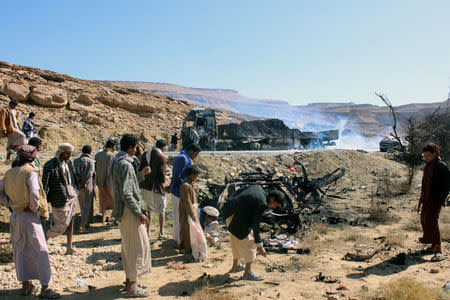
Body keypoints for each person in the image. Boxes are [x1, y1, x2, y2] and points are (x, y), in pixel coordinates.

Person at [2, 145, 60, 298]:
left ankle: (26, 285)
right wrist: (35, 209)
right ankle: (45, 287)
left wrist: (9, 203)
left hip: (15, 216)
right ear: (32, 157)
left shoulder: (9, 173)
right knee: (40, 250)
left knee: (20, 249)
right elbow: (35, 193)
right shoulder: (30, 172)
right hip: (29, 216)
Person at [111, 134, 151, 297]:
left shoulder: (118, 161)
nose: (136, 150)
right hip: (129, 211)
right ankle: (132, 288)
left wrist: (140, 175)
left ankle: (130, 281)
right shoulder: (126, 165)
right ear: (130, 148)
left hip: (124, 211)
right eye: (135, 148)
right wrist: (139, 213)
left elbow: (128, 186)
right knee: (136, 247)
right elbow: (128, 194)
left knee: (128, 247)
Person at [220, 185, 284, 280]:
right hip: (236, 219)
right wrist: (259, 245)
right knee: (250, 243)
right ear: (272, 199)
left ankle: (235, 266)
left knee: (235, 241)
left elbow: (239, 191)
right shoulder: (261, 203)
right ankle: (248, 272)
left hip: (229, 213)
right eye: (275, 205)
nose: (274, 207)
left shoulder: (258, 188)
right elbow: (256, 225)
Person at [42, 143, 78, 254]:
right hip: (59, 197)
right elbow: (45, 184)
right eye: (68, 153)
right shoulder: (50, 165)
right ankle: (43, 240)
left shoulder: (69, 163)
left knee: (71, 219)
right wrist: (43, 199)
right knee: (61, 224)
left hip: (71, 195)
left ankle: (69, 246)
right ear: (62, 153)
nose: (70, 155)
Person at [417, 143, 450, 262]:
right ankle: (431, 245)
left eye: (428, 155)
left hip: (435, 200)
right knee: (425, 219)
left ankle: (438, 250)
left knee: (432, 221)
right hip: (427, 199)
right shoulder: (429, 165)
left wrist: (441, 199)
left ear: (434, 154)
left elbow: (446, 185)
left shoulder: (441, 166)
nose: (426, 158)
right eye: (424, 156)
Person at [170, 143, 201, 243]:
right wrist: (172, 187)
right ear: (191, 151)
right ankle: (178, 238)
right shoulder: (182, 158)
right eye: (195, 154)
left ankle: (182, 238)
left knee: (182, 215)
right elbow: (177, 175)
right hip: (179, 191)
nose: (195, 157)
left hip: (183, 191)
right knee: (178, 216)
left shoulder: (186, 158)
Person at [140, 139, 169, 238]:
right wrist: (165, 183)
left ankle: (148, 231)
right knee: (161, 210)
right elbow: (162, 176)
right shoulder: (161, 157)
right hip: (157, 187)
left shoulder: (146, 154)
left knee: (149, 208)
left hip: (147, 185)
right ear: (163, 147)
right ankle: (161, 232)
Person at [178, 165, 201, 253]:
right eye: (196, 175)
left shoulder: (190, 184)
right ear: (191, 175)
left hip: (191, 211)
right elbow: (187, 202)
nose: (196, 177)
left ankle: (190, 248)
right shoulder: (185, 186)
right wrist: (192, 214)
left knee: (191, 230)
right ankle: (186, 249)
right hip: (186, 212)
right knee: (186, 230)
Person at [74, 145, 96, 233]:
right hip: (87, 185)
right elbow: (89, 174)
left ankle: (84, 223)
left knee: (82, 205)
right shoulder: (91, 161)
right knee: (87, 206)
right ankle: (83, 225)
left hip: (79, 186)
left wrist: (79, 183)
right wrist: (83, 183)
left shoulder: (75, 161)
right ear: (90, 152)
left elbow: (75, 173)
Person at [95, 139, 117, 223]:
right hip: (109, 181)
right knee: (112, 198)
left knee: (102, 198)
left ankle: (103, 216)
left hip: (99, 180)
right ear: (112, 146)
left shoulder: (98, 154)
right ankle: (112, 216)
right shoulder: (111, 156)